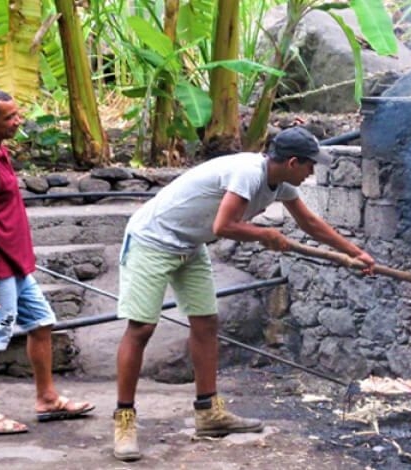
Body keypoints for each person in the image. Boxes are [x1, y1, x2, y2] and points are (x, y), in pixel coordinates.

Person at [112, 126, 376, 461]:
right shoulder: (248, 174)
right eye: (310, 165)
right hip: (153, 239)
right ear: (293, 162)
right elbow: (223, 226)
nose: (312, 172)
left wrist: (355, 253)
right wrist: (265, 234)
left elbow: (311, 224)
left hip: (190, 245)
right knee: (141, 328)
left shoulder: (280, 182)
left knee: (206, 323)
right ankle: (124, 420)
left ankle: (208, 413)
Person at [0, 89, 94, 435]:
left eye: (17, 114)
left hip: (15, 266)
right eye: (10, 118)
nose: (18, 122)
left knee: (42, 323)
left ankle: (46, 398)